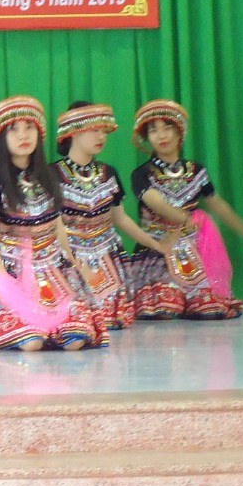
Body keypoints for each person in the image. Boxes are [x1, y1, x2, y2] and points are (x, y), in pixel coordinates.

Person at [0, 96, 105, 351]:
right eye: (14, 129)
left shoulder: (50, 175)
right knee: (31, 342)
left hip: (51, 268)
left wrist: (75, 264)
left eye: (29, 127)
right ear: (1, 138)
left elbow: (58, 227)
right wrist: (0, 277)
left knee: (75, 339)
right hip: (13, 270)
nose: (23, 135)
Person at [128, 99, 243, 320]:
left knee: (209, 307)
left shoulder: (196, 170)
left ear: (179, 132)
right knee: (162, 306)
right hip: (159, 248)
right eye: (153, 131)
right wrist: (183, 218)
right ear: (148, 138)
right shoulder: (142, 173)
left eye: (167, 128)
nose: (161, 136)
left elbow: (216, 203)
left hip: (193, 249)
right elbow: (154, 201)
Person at [52, 101, 174, 330]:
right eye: (94, 130)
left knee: (111, 317)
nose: (101, 136)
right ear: (74, 131)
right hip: (67, 257)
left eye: (104, 131)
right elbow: (49, 228)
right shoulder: (52, 175)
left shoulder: (108, 173)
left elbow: (120, 219)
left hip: (105, 254)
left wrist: (156, 245)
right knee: (76, 317)